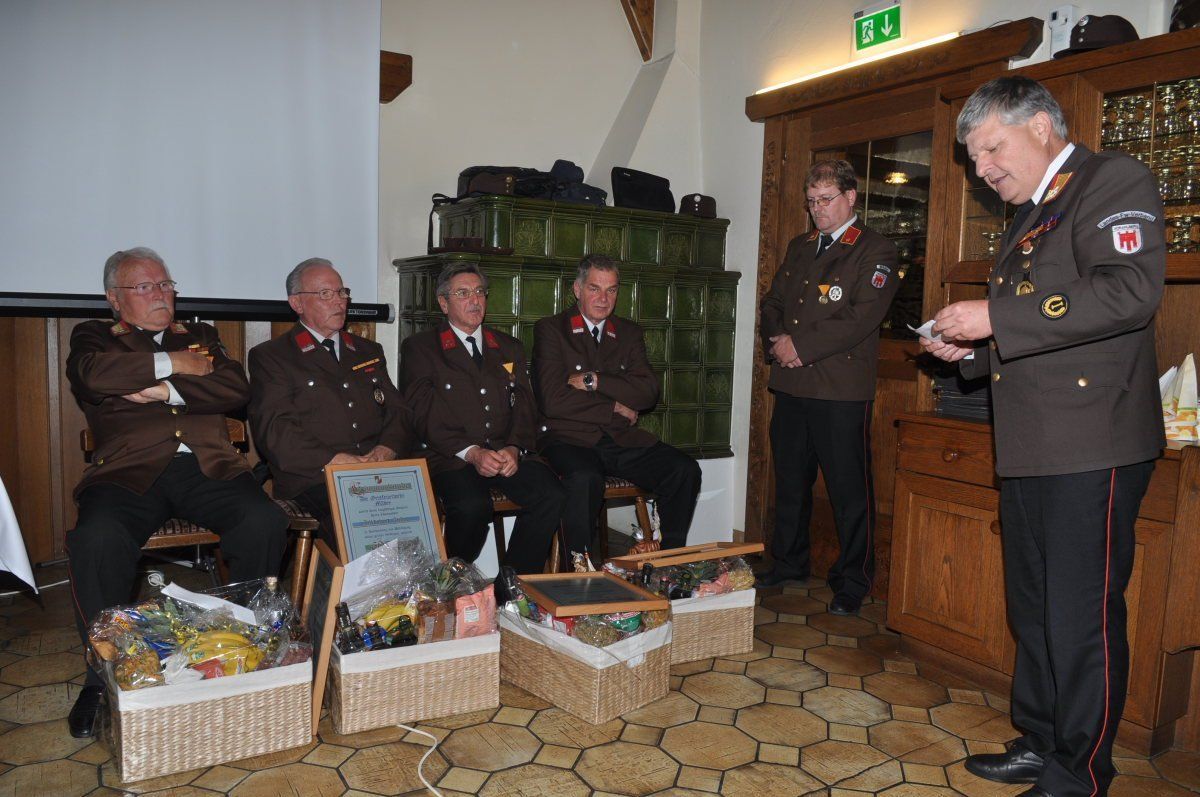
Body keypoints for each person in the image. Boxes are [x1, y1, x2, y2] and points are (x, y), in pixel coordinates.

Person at [921, 76, 1165, 797]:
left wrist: (994, 318)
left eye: (991, 149)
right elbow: (1037, 329)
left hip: (1092, 442)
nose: (983, 170)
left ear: (1039, 126)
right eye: (974, 158)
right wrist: (969, 351)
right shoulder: (1032, 213)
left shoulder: (1110, 179)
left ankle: (1080, 772)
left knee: (1080, 615)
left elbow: (1128, 290)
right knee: (1033, 607)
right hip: (1030, 442)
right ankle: (1041, 739)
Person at [64, 247, 288, 738]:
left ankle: (242, 648)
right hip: (128, 473)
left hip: (207, 467)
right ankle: (100, 675)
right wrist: (176, 363)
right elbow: (92, 375)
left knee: (264, 520)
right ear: (115, 299)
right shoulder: (94, 336)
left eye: (166, 284)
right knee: (96, 538)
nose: (161, 294)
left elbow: (235, 388)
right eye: (146, 287)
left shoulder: (201, 335)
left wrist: (164, 389)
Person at [754, 159, 901, 616]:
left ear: (851, 197)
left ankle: (853, 579)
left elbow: (861, 315)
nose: (817, 209)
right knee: (790, 481)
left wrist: (800, 346)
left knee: (848, 490)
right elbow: (773, 302)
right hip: (792, 382)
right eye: (811, 201)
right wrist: (778, 342)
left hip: (839, 390)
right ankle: (789, 562)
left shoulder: (875, 249)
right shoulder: (800, 246)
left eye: (826, 199)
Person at [399, 262, 564, 576]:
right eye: (463, 293)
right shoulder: (421, 348)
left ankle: (512, 584)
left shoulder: (508, 347)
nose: (474, 300)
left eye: (479, 292)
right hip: (451, 457)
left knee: (551, 494)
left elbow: (524, 405)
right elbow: (422, 413)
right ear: (444, 303)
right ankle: (449, 581)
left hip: (504, 452)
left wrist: (514, 447)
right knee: (472, 507)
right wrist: (472, 453)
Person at [532, 254, 701, 559]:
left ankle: (667, 561)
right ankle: (581, 572)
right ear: (577, 289)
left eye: (611, 290)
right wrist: (614, 407)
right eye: (594, 288)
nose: (603, 298)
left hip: (619, 439)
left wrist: (594, 380)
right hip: (568, 438)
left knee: (684, 470)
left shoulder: (628, 333)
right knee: (584, 479)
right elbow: (552, 400)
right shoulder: (552, 329)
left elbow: (648, 393)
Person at [248, 258, 412, 551]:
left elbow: (398, 411)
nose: (339, 301)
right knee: (357, 519)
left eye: (342, 292)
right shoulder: (273, 356)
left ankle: (418, 582)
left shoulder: (367, 350)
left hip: (376, 468)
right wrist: (336, 460)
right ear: (297, 303)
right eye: (325, 294)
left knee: (419, 512)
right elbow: (276, 432)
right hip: (315, 476)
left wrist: (387, 448)